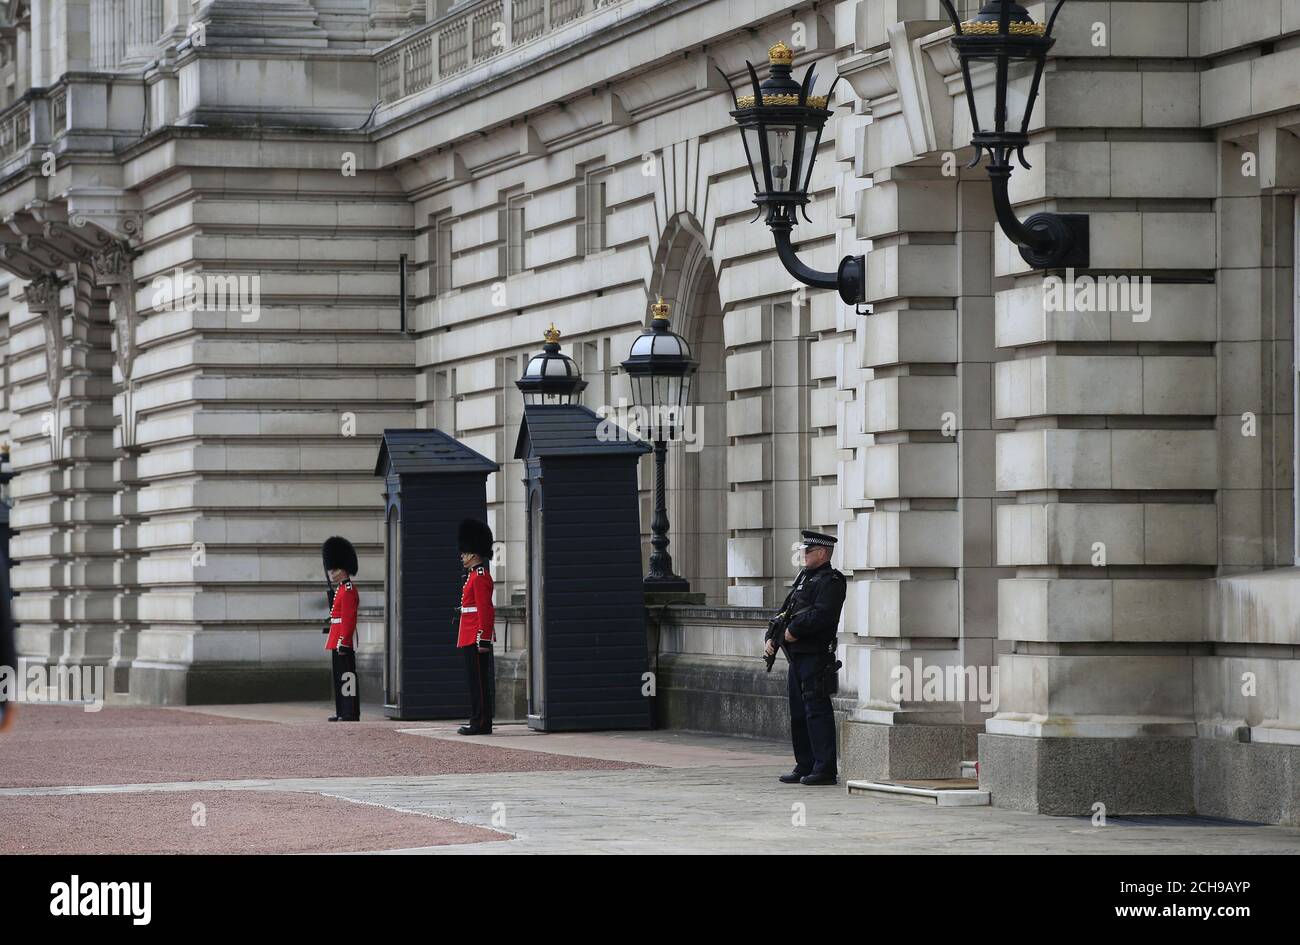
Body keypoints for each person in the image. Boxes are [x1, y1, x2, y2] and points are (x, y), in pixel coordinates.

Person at [764, 530, 846, 785]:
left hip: (815, 655)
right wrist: (772, 636)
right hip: (796, 658)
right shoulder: (804, 579)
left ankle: (824, 769)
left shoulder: (831, 581)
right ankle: (805, 764)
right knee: (798, 713)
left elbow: (823, 616)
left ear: (821, 553)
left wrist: (793, 631)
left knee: (816, 711)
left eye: (807, 551)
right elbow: (784, 612)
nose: (803, 555)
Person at [456, 518, 495, 736]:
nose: (461, 555)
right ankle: (478, 718)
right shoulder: (473, 576)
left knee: (479, 682)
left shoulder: (480, 576)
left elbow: (485, 610)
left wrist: (483, 638)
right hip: (469, 634)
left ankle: (481, 722)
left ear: (473, 553)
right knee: (474, 681)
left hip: (476, 636)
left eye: (464, 552)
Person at [322, 535, 360, 722]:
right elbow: (338, 616)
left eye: (335, 569)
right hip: (336, 636)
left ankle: (350, 711)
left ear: (343, 570)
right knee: (339, 677)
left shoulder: (349, 590)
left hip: (342, 640)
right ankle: (341, 710)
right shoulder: (340, 589)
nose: (332, 572)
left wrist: (343, 641)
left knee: (347, 676)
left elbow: (349, 619)